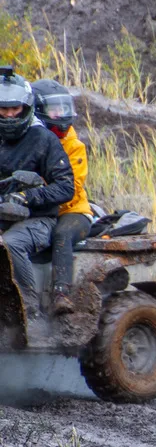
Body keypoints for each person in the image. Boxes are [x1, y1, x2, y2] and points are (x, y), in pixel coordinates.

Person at [0, 67, 74, 318]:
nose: (9, 115)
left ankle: (27, 308)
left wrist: (28, 196)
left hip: (38, 219)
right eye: (4, 109)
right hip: (3, 215)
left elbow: (66, 187)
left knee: (11, 244)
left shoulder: (43, 139)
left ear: (26, 108)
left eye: (15, 109)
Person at [32, 79, 92, 315]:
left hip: (72, 211)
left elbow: (72, 190)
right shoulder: (27, 142)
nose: (60, 116)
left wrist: (35, 197)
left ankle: (61, 293)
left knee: (62, 235)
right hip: (39, 208)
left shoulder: (74, 146)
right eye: (54, 110)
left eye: (64, 109)